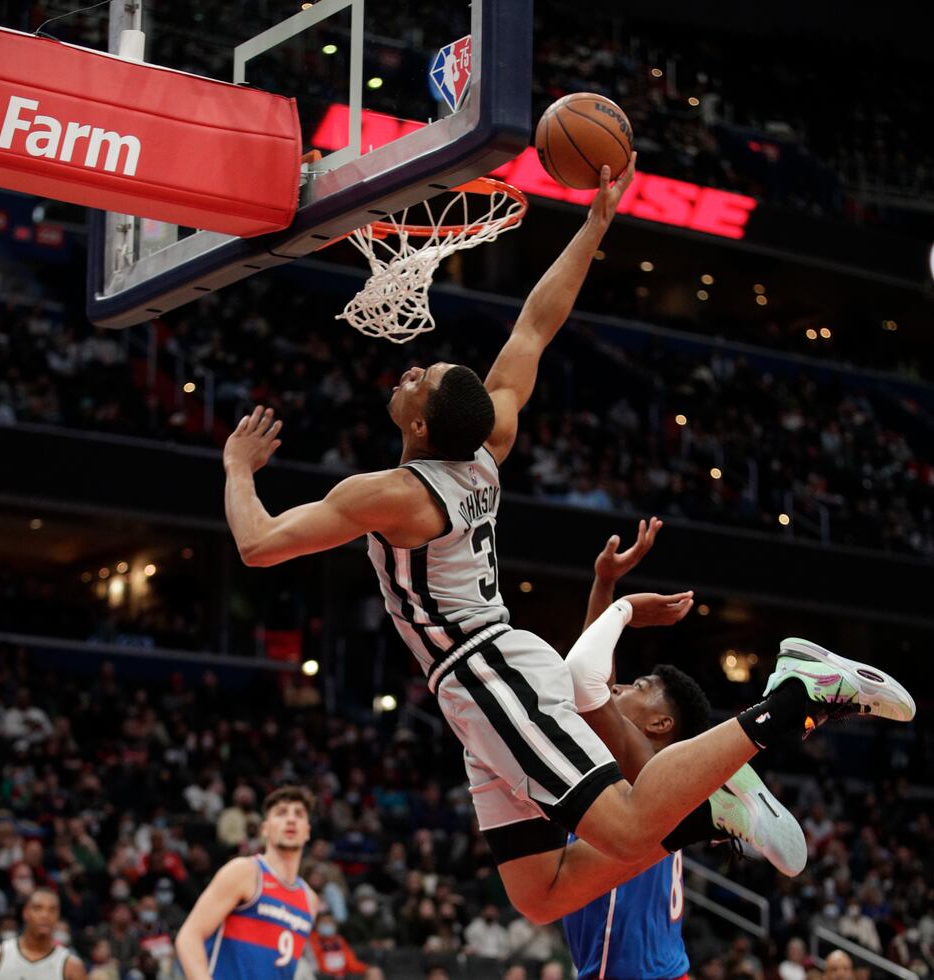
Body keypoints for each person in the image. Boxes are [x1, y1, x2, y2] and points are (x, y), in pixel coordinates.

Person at [223, 156, 915, 925]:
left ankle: (794, 696)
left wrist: (236, 467)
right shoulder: (488, 447)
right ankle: (713, 808)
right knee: (543, 894)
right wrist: (592, 226)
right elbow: (536, 324)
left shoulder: (392, 495)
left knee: (620, 823)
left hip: (486, 671)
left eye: (419, 379)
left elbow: (259, 545)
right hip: (480, 681)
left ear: (419, 427)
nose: (411, 370)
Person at [562, 524, 804, 978]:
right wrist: (605, 582)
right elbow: (593, 673)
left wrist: (618, 601)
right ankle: (725, 792)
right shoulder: (638, 774)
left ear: (660, 724)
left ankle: (784, 707)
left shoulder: (636, 774)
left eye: (639, 686)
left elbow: (586, 682)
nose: (620, 684)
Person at [175, 786, 318, 980]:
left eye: (299, 814)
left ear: (307, 831)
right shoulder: (245, 872)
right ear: (265, 829)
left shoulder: (310, 900)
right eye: (281, 813)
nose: (291, 819)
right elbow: (188, 938)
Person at [0, 889, 85, 980]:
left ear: (58, 916)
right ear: (25, 913)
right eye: (38, 908)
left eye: (52, 910)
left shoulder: (72, 966)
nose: (45, 915)